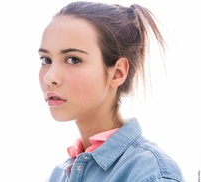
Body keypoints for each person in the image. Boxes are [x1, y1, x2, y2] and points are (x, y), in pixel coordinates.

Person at [38, 1, 184, 181]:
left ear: (117, 72)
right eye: (46, 60)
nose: (50, 77)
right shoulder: (59, 174)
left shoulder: (150, 173)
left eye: (73, 60)